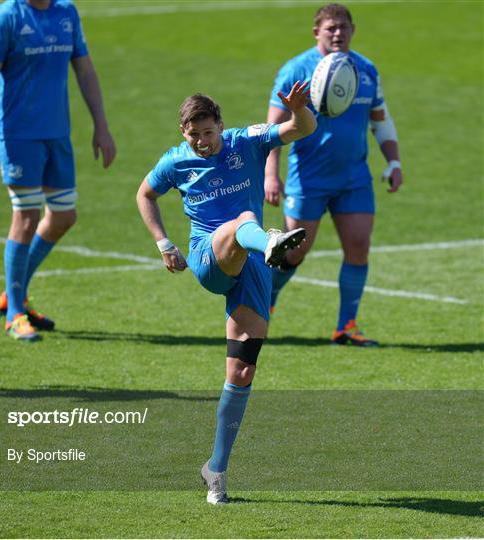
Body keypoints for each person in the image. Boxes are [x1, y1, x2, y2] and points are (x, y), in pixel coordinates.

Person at [136, 85, 316, 504]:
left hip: (252, 268)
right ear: (183, 132)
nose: (201, 141)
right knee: (244, 219)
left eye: (207, 132)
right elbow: (145, 194)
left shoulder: (245, 141)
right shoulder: (174, 162)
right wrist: (164, 243)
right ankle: (268, 239)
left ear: (220, 124)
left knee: (241, 373)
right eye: (192, 134)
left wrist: (300, 109)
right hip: (208, 257)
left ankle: (215, 470)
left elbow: (301, 129)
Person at [0, 0, 116, 341]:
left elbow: (85, 70)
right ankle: (15, 314)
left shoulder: (66, 12)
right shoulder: (6, 17)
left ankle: (13, 294)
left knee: (64, 216)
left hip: (57, 134)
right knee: (26, 217)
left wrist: (101, 126)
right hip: (19, 135)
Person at [265, 3, 403, 346]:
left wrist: (394, 161)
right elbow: (272, 128)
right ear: (317, 33)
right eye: (330, 28)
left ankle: (346, 327)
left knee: (359, 245)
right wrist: (271, 174)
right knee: (295, 250)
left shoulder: (366, 71)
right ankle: (263, 302)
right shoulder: (296, 70)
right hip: (308, 178)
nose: (338, 32)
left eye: (343, 27)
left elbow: (380, 120)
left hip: (354, 177)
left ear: (353, 30)